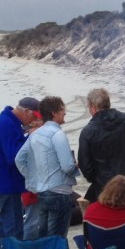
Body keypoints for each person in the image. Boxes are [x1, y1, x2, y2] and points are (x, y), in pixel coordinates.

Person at [0, 97, 41, 249]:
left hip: (8, 181)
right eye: (32, 117)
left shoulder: (9, 120)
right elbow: (13, 156)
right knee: (11, 224)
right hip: (6, 182)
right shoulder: (6, 124)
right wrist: (29, 137)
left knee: (12, 222)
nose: (32, 121)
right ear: (26, 112)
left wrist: (25, 133)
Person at [15, 96, 77, 240]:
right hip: (59, 191)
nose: (65, 113)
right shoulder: (57, 134)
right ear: (54, 113)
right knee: (57, 238)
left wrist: (33, 177)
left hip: (43, 191)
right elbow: (67, 166)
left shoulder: (35, 134)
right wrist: (75, 167)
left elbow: (19, 159)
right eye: (62, 110)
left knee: (44, 234)